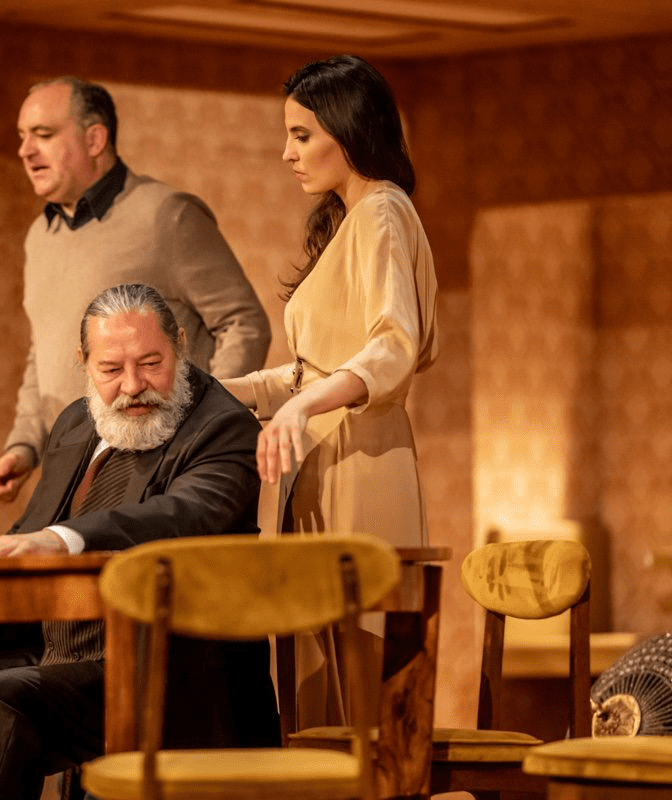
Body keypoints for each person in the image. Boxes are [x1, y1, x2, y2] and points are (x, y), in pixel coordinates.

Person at [0, 284, 278, 800]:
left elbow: (180, 516)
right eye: (111, 369)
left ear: (181, 346)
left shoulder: (223, 426)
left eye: (151, 363)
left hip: (167, 671)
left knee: (3, 699)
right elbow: (26, 534)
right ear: (84, 362)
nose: (134, 386)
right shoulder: (77, 420)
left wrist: (63, 540)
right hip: (64, 653)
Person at [223, 54, 439, 726]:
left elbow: (393, 346)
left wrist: (303, 406)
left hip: (361, 459)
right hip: (322, 458)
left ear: (349, 131)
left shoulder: (382, 211)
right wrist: (211, 391)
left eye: (302, 135)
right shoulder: (350, 220)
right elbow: (307, 373)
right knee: (318, 686)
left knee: (359, 688)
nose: (287, 153)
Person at [0, 76, 271, 504]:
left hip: (160, 471)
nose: (25, 150)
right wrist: (24, 446)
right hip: (71, 473)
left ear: (95, 139)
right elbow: (41, 352)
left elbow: (243, 322)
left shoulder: (166, 216)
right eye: (22, 136)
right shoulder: (39, 237)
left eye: (43, 134)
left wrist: (203, 426)